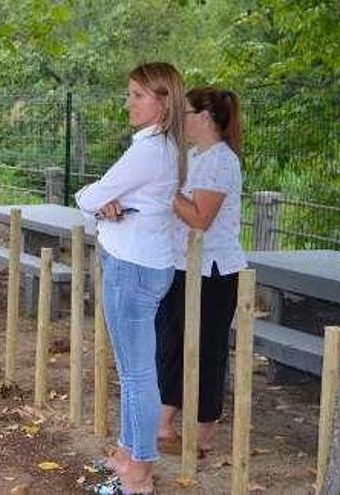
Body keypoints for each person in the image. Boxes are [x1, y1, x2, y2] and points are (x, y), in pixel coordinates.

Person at [75, 62, 186, 494]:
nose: (130, 103)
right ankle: (127, 454)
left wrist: (100, 201)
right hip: (146, 265)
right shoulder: (164, 146)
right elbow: (110, 198)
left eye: (139, 95)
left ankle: (138, 475)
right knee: (134, 372)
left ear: (164, 101)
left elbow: (89, 195)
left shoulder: (148, 150)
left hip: (132, 268)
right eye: (130, 94)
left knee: (136, 375)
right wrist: (107, 202)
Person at [156, 87, 246, 457]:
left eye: (188, 113)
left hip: (213, 271)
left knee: (207, 350)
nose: (183, 120)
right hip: (181, 264)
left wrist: (166, 191)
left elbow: (200, 218)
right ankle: (164, 425)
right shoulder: (193, 155)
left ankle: (203, 434)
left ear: (205, 118)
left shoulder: (222, 161)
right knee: (172, 344)